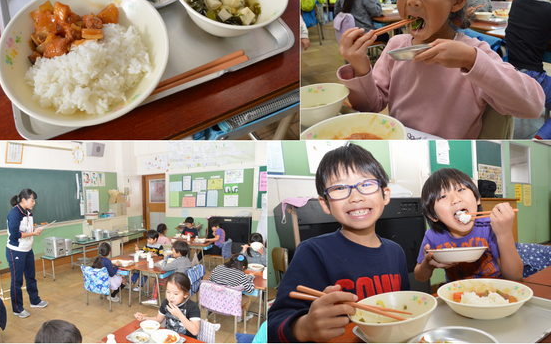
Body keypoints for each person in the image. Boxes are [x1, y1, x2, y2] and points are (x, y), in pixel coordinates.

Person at [337, 0, 544, 139]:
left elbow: (533, 106)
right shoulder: (396, 46)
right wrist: (360, 66)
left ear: (458, 0)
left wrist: (471, 61)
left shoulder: (471, 52)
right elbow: (369, 107)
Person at [267, 144, 410, 343]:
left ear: (385, 194)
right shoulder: (312, 252)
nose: (356, 197)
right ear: (325, 204)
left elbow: (405, 304)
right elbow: (274, 324)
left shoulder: (396, 252)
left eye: (366, 184)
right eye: (340, 188)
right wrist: (304, 327)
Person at [414, 168, 523, 283]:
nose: (456, 199)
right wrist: (428, 265)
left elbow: (515, 277)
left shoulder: (490, 226)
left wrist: (504, 234)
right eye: (443, 196)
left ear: (477, 199)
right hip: (457, 296)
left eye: (461, 189)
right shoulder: (433, 236)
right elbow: (420, 277)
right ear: (433, 215)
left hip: (495, 293)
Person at [505, 0, 551, 139]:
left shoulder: (517, 1)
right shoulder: (548, 11)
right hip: (531, 78)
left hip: (507, 69)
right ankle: (541, 138)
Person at [6, 189, 48, 318]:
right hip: (16, 250)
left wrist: (35, 230)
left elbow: (26, 229)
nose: (34, 203)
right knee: (17, 281)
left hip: (27, 249)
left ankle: (35, 301)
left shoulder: (28, 212)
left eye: (34, 200)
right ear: (23, 200)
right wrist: (33, 233)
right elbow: (15, 235)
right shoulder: (14, 214)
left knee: (31, 277)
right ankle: (17, 309)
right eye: (32, 200)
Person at [134, 273, 201, 339]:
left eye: (176, 293)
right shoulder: (166, 302)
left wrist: (180, 315)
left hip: (186, 340)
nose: (171, 296)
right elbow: (158, 320)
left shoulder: (192, 307)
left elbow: (195, 331)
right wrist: (145, 318)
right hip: (168, 338)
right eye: (168, 292)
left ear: (186, 294)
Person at [143, 240, 192, 306]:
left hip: (177, 284)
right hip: (184, 281)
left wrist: (165, 257)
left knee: (156, 280)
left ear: (178, 252)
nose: (172, 251)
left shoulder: (177, 261)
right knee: (165, 276)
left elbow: (163, 268)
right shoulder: (187, 259)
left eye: (173, 250)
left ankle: (154, 299)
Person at [209, 254, 255, 322]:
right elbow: (250, 290)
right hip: (229, 304)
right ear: (243, 266)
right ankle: (241, 317)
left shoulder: (218, 267)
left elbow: (210, 281)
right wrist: (250, 277)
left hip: (214, 300)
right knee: (247, 299)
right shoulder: (240, 274)